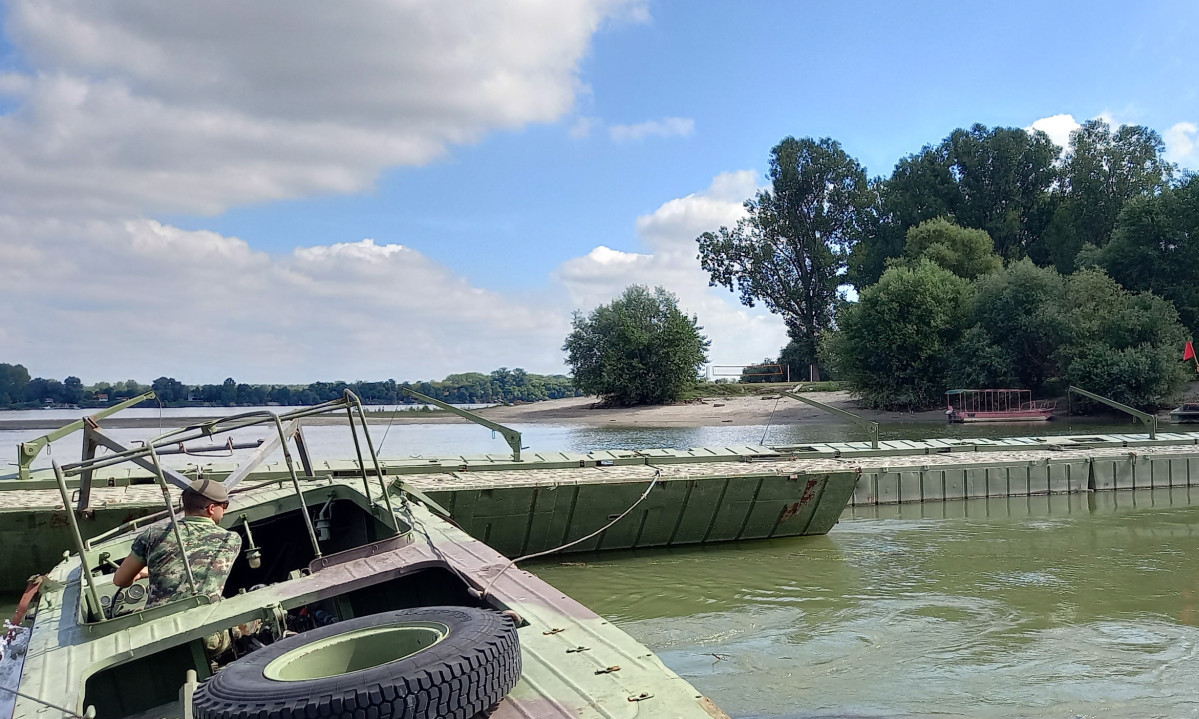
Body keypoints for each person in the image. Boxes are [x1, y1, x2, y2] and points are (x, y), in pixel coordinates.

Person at [113, 479, 242, 608]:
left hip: (157, 617)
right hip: (203, 614)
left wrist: (145, 571)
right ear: (211, 508)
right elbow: (196, 558)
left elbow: (120, 580)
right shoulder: (231, 539)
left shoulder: (153, 534)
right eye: (224, 505)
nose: (224, 510)